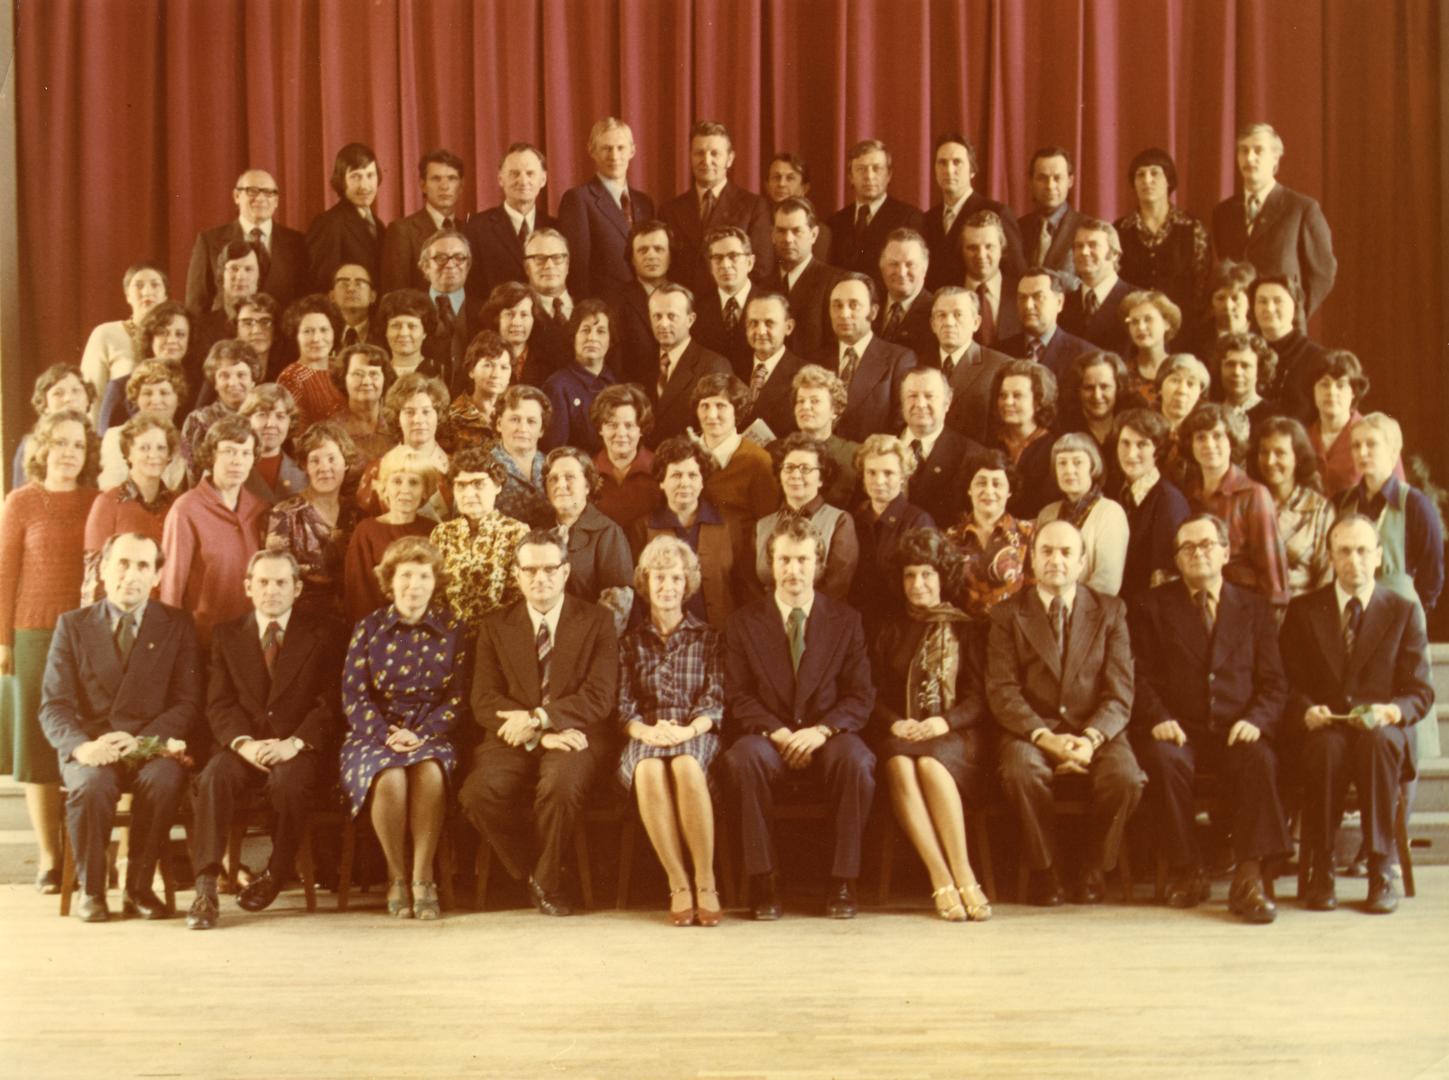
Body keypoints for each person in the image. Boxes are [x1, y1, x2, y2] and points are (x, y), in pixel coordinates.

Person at [1131, 514, 1291, 923]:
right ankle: (1188, 869)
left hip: (1237, 729)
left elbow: (1275, 684)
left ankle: (1249, 878)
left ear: (1225, 552)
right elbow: (1138, 677)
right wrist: (1158, 717)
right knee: (1163, 760)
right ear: (1176, 560)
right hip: (1179, 731)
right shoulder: (1152, 606)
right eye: (1187, 547)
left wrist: (1257, 719)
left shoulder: (1255, 608)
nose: (1197, 553)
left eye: (1206, 545)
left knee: (1260, 759)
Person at [38, 532, 203, 922]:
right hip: (93, 746)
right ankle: (92, 890)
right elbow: (54, 705)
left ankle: (139, 889)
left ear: (157, 576)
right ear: (103, 570)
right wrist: (82, 747)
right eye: (122, 564)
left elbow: (187, 702)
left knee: (164, 780)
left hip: (149, 745)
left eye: (143, 565)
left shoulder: (177, 625)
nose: (131, 575)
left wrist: (144, 740)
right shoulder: (73, 625)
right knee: (91, 785)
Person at [722, 515, 876, 920]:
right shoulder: (742, 623)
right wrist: (778, 732)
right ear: (770, 564)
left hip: (828, 735)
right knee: (742, 759)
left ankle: (842, 880)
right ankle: (763, 880)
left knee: (857, 761)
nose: (794, 570)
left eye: (803, 560)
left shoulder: (846, 620)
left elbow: (860, 695)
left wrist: (821, 731)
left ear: (819, 564)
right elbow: (738, 696)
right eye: (785, 560)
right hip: (769, 736)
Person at [186, 550, 347, 929]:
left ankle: (276, 872)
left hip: (297, 746)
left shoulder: (326, 632)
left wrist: (295, 743)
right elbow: (219, 703)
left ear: (297, 588)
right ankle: (206, 886)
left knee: (289, 783)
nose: (271, 590)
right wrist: (244, 744)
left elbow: (331, 701)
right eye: (263, 582)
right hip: (246, 745)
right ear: (248, 587)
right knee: (214, 776)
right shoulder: (227, 634)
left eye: (281, 583)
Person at [463, 529, 620, 917]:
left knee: (560, 786)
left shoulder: (597, 620)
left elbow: (599, 696)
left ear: (566, 571)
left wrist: (539, 720)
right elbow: (483, 700)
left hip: (576, 733)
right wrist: (538, 735)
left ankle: (547, 883)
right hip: (513, 739)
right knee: (477, 793)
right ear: (516, 574)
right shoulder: (495, 626)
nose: (540, 578)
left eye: (550, 569)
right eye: (530, 570)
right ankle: (536, 872)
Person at [1282, 515, 1432, 915]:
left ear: (1379, 556)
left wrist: (1393, 711)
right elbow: (1286, 683)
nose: (1354, 560)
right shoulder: (1303, 610)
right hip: (1325, 729)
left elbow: (1420, 692)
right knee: (1326, 749)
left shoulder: (1402, 611)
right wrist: (1304, 710)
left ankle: (1380, 867)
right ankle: (1322, 868)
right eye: (1344, 551)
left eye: (1363, 550)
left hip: (1381, 731)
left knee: (1377, 744)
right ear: (1331, 557)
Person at [989, 519, 1143, 905]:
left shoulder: (1110, 611)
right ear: (1031, 559)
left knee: (1125, 777)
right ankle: (1045, 869)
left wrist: (1090, 739)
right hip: (1033, 731)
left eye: (1066, 552)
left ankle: (1092, 865)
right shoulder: (1007, 614)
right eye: (1046, 551)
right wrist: (1045, 737)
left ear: (1081, 562)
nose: (1055, 560)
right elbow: (1003, 691)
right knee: (1022, 771)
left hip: (1095, 730)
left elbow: (1120, 692)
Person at [340, 536, 465, 920]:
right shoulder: (369, 628)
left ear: (435, 581)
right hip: (373, 735)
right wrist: (387, 735)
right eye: (406, 576)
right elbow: (354, 696)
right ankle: (396, 875)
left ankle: (423, 876)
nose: (415, 585)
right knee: (390, 776)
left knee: (429, 771)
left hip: (431, 732)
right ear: (390, 581)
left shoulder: (453, 628)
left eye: (424, 576)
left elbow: (458, 697)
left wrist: (421, 733)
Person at [0, 409, 100, 894]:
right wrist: (2, 640)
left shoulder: (97, 500)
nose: (68, 453)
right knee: (39, 747)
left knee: (85, 738)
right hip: (33, 633)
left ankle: (85, 853)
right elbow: (3, 572)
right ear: (42, 448)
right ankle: (49, 858)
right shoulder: (20, 501)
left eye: (78, 445)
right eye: (60, 442)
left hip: (86, 634)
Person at [872, 527, 992, 921]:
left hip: (955, 736)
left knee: (928, 762)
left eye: (927, 574)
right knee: (899, 763)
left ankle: (964, 872)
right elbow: (871, 694)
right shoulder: (888, 628)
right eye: (909, 575)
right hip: (902, 734)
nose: (918, 584)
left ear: (943, 576)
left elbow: (981, 697)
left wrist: (944, 722)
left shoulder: (967, 627)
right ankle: (940, 877)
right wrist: (895, 724)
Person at [616, 536, 725, 926]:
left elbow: (714, 701)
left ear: (687, 583)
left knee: (684, 765)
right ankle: (678, 883)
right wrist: (645, 732)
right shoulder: (629, 643)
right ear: (646, 583)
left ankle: (705, 880)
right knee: (648, 768)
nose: (667, 586)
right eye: (659, 577)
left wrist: (686, 732)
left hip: (695, 733)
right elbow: (622, 705)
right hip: (644, 732)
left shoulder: (709, 638)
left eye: (676, 578)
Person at [160, 415, 268, 648]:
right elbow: (171, 589)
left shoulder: (259, 509)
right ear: (211, 455)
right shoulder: (186, 509)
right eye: (229, 451)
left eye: (246, 453)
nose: (237, 461)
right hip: (203, 641)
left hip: (250, 640)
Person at [1210, 122, 1337, 319]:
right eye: (1243, 150)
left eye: (1258, 150)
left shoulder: (1301, 209)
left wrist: (1294, 314)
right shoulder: (1222, 212)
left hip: (1282, 327)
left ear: (1275, 157)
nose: (1249, 158)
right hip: (1238, 326)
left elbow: (1323, 273)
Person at [1179, 404, 1290, 611]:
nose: (1209, 444)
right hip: (1196, 606)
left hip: (1242, 608)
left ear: (1231, 441)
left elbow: (1274, 580)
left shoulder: (1253, 494)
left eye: (1217, 436)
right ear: (1190, 445)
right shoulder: (1187, 494)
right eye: (1201, 437)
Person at [633, 436, 748, 630]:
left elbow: (743, 587)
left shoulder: (728, 525)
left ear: (702, 481)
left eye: (693, 475)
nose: (685, 483)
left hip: (723, 634)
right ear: (661, 481)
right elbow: (638, 594)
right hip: (666, 637)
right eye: (676, 475)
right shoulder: (643, 528)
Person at [1336, 412, 1444, 619]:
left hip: (1399, 619)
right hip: (1352, 618)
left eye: (1371, 444)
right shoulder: (1343, 503)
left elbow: (1432, 577)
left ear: (1393, 450)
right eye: (1356, 446)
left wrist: (1412, 620)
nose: (1362, 452)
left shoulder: (1415, 504)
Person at [659, 120, 773, 290]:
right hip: (685, 302)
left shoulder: (754, 206)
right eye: (699, 153)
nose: (706, 160)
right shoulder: (670, 210)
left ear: (730, 159)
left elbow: (761, 267)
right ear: (690, 157)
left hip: (730, 302)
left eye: (715, 153)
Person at [264, 419, 359, 620]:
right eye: (315, 460)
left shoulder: (356, 513)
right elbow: (276, 578)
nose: (324, 468)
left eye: (332, 459)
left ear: (346, 463)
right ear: (304, 466)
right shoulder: (284, 514)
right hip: (302, 623)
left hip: (353, 619)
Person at [1113, 148, 1210, 340]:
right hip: (1134, 333)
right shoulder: (1119, 230)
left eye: (1154, 173)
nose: (1147, 180)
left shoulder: (1193, 228)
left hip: (1183, 332)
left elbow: (1202, 285)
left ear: (1169, 181)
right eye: (1140, 175)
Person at [83, 415, 180, 604]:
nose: (154, 455)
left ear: (169, 455)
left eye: (161, 448)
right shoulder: (108, 503)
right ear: (128, 454)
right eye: (144, 448)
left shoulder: (177, 505)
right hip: (122, 612)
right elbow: (93, 577)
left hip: (166, 613)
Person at [557, 117, 656, 301]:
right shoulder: (579, 199)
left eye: (620, 148)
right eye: (606, 148)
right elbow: (578, 269)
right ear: (591, 150)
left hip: (645, 304)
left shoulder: (644, 202)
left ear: (632, 151)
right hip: (603, 307)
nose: (614, 156)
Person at [428, 447, 528, 626]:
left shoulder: (516, 532)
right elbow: (433, 594)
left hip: (498, 634)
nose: (468, 494)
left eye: (478, 484)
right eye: (461, 485)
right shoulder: (441, 534)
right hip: (448, 634)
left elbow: (518, 598)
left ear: (497, 486)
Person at [753, 433, 858, 602]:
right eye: (789, 468)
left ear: (821, 478)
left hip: (820, 615)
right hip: (768, 614)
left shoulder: (840, 521)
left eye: (805, 469)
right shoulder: (763, 525)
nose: (795, 475)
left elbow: (836, 587)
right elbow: (754, 587)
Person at [187, 169, 308, 313]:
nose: (260, 198)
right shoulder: (209, 241)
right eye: (252, 191)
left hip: (281, 326)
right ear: (236, 196)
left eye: (268, 192)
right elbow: (196, 304)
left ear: (276, 201)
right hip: (226, 326)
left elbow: (304, 300)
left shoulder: (297, 242)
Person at [343, 446, 440, 623]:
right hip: (378, 628)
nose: (405, 490)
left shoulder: (435, 530)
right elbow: (359, 596)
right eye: (397, 481)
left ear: (425, 490)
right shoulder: (366, 531)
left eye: (414, 482)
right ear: (385, 487)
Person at [923, 132, 1025, 291]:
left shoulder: (997, 212)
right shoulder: (928, 219)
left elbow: (1016, 274)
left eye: (957, 162)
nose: (949, 170)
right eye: (942, 163)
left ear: (972, 170)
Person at [850, 434, 936, 622]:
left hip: (900, 621)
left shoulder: (918, 521)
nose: (879, 481)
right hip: (857, 619)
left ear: (903, 477)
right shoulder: (855, 518)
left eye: (888, 473)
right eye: (871, 472)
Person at [824, 272, 917, 440]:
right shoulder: (816, 359)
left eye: (854, 305)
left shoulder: (899, 360)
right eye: (837, 305)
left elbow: (901, 425)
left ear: (873, 312)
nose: (844, 314)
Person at [1250, 416, 1333, 599]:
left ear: (1298, 457)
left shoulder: (1319, 509)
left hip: (1302, 609)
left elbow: (1326, 576)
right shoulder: (1248, 502)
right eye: (1264, 452)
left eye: (1280, 453)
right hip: (1252, 609)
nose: (1270, 461)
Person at [1115, 408, 1191, 606]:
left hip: (1147, 613)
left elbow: (1167, 584)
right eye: (1125, 443)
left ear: (1158, 451)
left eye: (1142, 445)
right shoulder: (1117, 493)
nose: (1131, 453)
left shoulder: (1168, 500)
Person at [944, 452, 1032, 621]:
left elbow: (1035, 594)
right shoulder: (949, 539)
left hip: (1013, 631)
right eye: (981, 483)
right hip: (962, 631)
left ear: (1009, 491)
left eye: (997, 484)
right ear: (969, 489)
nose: (989, 490)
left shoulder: (1027, 534)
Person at [1037, 433, 1128, 595]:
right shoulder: (1047, 514)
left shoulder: (1111, 513)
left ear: (1092, 467)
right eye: (1062, 463)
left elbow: (1108, 582)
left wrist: (1065, 604)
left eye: (1077, 462)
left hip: (1093, 608)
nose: (1069, 470)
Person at [896, 365, 985, 528]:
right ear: (902, 402)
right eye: (912, 396)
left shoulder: (972, 455)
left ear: (947, 402)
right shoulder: (880, 444)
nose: (920, 404)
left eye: (929, 396)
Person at [80, 262, 168, 426]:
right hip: (116, 431)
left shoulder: (174, 338)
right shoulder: (106, 334)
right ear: (128, 296)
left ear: (165, 296)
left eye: (155, 285)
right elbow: (92, 397)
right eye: (139, 286)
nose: (147, 292)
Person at [826, 139, 925, 286]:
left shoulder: (909, 218)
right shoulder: (835, 222)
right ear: (850, 177)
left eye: (876, 168)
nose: (869, 176)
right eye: (861, 169)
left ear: (889, 175)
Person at [354, 372, 452, 520]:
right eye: (409, 412)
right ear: (397, 417)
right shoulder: (377, 471)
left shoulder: (455, 469)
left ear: (438, 416)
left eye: (426, 412)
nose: (418, 420)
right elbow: (368, 527)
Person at [544, 447, 634, 606]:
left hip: (592, 621)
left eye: (570, 477)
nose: (561, 485)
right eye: (553, 479)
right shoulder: (536, 530)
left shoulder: (608, 532)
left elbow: (618, 603)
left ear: (587, 486)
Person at [464, 142, 556, 298]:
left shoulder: (555, 227)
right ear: (500, 179)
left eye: (530, 173)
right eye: (514, 174)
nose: (523, 180)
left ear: (543, 179)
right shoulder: (476, 228)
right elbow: (472, 290)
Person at [646, 282, 731, 446]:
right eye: (657, 316)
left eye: (672, 316)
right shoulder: (642, 364)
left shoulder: (713, 366)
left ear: (690, 320)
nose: (663, 324)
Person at [1307, 350, 1399, 497]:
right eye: (1324, 384)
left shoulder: (1377, 435)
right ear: (1314, 389)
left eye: (1341, 385)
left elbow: (1397, 497)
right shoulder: (1303, 439)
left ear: (1353, 392)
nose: (1331, 392)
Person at [693, 373, 777, 530]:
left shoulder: (758, 461)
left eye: (720, 406)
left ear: (737, 410)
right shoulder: (684, 455)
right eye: (704, 406)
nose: (711, 415)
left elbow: (767, 527)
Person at [98, 300, 194, 434]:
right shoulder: (119, 388)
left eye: (180, 334)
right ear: (149, 338)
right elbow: (105, 439)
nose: (172, 340)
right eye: (163, 333)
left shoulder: (197, 387)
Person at [379, 149, 468, 293]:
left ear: (461, 186)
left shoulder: (469, 229)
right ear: (423, 185)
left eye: (452, 178)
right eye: (436, 179)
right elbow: (396, 294)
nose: (444, 186)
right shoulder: (402, 231)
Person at [931, 287, 1011, 445]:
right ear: (933, 324)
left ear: (976, 323)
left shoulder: (1001, 366)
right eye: (941, 315)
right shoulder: (918, 363)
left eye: (958, 314)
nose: (949, 322)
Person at [306, 142, 385, 290]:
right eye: (355, 177)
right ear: (341, 181)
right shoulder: (328, 223)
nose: (364, 185)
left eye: (370, 175)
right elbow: (322, 285)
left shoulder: (378, 224)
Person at [542, 299, 618, 452]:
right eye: (585, 330)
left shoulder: (615, 383)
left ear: (610, 340)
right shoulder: (557, 386)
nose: (592, 338)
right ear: (573, 337)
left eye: (601, 331)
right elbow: (555, 450)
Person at [97, 362, 186, 494]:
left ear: (178, 398)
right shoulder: (115, 436)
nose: (156, 400)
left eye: (164, 393)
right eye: (147, 393)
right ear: (136, 399)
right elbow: (111, 489)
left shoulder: (183, 442)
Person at [179, 340, 259, 484]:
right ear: (215, 383)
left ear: (253, 381)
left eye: (241, 375)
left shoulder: (265, 421)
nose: (233, 383)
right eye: (224, 376)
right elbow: (193, 478)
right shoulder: (198, 421)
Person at [772, 197, 842, 361]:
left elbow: (837, 347)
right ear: (772, 235)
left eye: (797, 231)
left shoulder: (835, 282)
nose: (788, 239)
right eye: (781, 231)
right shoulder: (763, 285)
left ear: (814, 235)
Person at [1250, 275, 1325, 423]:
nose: (1269, 308)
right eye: (1262, 301)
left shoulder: (1316, 357)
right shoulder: (1246, 353)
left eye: (1278, 301)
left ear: (1295, 306)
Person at [990, 359, 1059, 519]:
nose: (1007, 402)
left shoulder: (1053, 448)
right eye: (1003, 395)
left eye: (1017, 396)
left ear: (1038, 402)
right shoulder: (990, 443)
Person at [997, 267, 1093, 377]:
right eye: (1022, 298)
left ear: (1059, 302)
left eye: (1038, 297)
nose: (1028, 305)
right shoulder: (1000, 353)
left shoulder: (1084, 356)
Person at [1061, 219, 1138, 355]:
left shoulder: (1138, 301)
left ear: (1114, 254)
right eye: (1079, 246)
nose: (1084, 252)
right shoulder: (1063, 303)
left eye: (1093, 245)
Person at [13, 366, 95, 490]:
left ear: (87, 400)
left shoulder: (101, 441)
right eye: (58, 393)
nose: (68, 399)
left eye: (76, 391)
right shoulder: (30, 446)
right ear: (45, 405)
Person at [591, 383, 659, 531]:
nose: (621, 433)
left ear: (641, 429)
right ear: (600, 429)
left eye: (629, 425)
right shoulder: (586, 472)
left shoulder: (660, 469)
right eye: (612, 425)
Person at [613, 220, 674, 385]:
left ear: (670, 256)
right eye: (643, 250)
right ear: (632, 259)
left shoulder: (686, 297)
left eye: (659, 249)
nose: (651, 256)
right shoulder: (617, 302)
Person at [276, 294, 348, 432]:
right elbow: (296, 436)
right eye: (307, 331)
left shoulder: (341, 368)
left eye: (324, 330)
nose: (316, 338)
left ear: (334, 332)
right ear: (296, 336)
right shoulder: (291, 378)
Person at [792, 365, 860, 509]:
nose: (805, 406)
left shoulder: (853, 455)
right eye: (800, 401)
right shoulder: (776, 451)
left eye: (815, 401)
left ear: (835, 410)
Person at [690, 226, 756, 373]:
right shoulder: (698, 309)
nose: (725, 265)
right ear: (710, 266)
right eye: (718, 258)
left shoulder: (770, 304)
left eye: (733, 256)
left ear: (750, 262)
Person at [417, 230, 478, 386]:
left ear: (468, 266)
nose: (450, 264)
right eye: (441, 258)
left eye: (459, 258)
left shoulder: (484, 311)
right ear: (425, 266)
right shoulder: (411, 308)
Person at [489, 385, 555, 529]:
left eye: (531, 421)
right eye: (515, 419)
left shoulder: (554, 467)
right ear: (499, 424)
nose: (523, 428)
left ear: (541, 430)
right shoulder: (483, 468)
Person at [192, 241, 263, 370]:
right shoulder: (202, 329)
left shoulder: (269, 327)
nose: (240, 276)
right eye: (234, 269)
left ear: (259, 277)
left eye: (248, 269)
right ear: (221, 276)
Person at [957, 210, 1022, 347]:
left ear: (1002, 248)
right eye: (972, 248)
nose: (981, 255)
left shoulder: (1021, 292)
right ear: (961, 250)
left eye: (989, 247)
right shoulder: (947, 292)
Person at [1018, 147, 1084, 278]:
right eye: (1042, 178)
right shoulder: (1018, 228)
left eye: (1057, 178)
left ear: (1070, 181)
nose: (1050, 186)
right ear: (1031, 182)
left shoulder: (1086, 228)